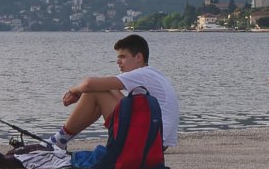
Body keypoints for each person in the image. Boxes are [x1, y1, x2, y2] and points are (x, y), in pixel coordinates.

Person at [46, 33, 180, 154]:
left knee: (94, 91)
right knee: (105, 88)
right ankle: (60, 140)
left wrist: (73, 90)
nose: (118, 62)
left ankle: (58, 141)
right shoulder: (153, 74)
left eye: (123, 57)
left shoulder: (141, 74)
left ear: (138, 57)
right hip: (158, 142)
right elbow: (113, 90)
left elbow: (89, 84)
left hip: (148, 141)